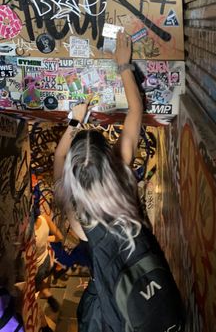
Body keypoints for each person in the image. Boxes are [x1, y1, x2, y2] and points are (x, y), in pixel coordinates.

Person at [54, 31, 185, 332]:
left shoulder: (77, 219)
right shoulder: (123, 178)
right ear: (108, 159)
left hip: (140, 303)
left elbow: (58, 163)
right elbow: (135, 112)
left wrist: (74, 125)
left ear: (73, 179)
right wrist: (123, 66)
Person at [34, 210, 63, 313]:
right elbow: (59, 237)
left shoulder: (29, 233)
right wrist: (45, 238)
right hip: (46, 261)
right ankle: (48, 295)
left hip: (35, 268)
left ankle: (43, 324)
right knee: (42, 280)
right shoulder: (44, 218)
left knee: (32, 298)